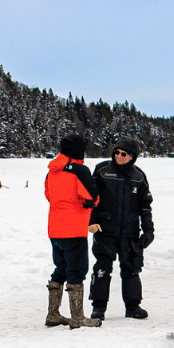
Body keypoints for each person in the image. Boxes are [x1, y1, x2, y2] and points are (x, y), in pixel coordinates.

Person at [88, 138, 154, 320]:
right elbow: (91, 199)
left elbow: (145, 206)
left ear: (132, 156)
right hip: (104, 230)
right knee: (102, 268)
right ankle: (98, 307)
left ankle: (133, 306)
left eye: (123, 154)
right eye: (116, 152)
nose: (119, 156)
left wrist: (148, 230)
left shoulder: (139, 176)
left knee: (131, 268)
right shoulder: (102, 171)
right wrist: (91, 221)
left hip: (130, 231)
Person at [44, 135, 101, 328]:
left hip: (55, 228)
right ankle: (77, 317)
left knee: (60, 269)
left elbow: (48, 195)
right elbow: (92, 197)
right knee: (77, 270)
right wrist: (87, 203)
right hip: (74, 229)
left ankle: (53, 314)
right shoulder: (80, 170)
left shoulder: (52, 170)